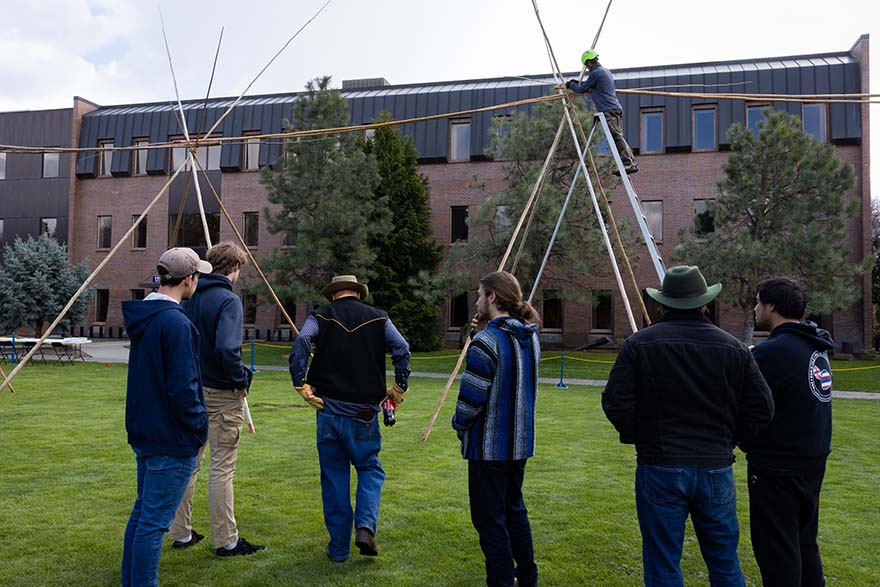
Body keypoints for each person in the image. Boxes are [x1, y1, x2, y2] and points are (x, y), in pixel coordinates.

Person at [602, 265, 774, 587]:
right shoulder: (733, 348)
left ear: (663, 303)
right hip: (714, 467)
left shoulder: (639, 345)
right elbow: (762, 407)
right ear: (705, 303)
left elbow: (615, 402)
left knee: (662, 564)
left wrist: (641, 436)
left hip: (661, 466)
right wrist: (731, 438)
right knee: (724, 564)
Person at [289, 274, 411, 562]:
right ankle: (366, 527)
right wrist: (400, 385)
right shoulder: (379, 319)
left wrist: (300, 381)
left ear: (333, 295)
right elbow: (402, 348)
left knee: (334, 478)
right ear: (358, 294)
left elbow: (302, 342)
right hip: (364, 415)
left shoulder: (319, 317)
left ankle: (339, 549)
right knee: (369, 469)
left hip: (328, 410)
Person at [121, 247, 211, 587]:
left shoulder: (147, 317)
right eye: (197, 275)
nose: (198, 281)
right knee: (154, 521)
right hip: (170, 438)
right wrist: (199, 427)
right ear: (188, 279)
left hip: (147, 432)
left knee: (144, 513)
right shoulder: (175, 323)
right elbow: (184, 389)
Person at [169, 242, 265, 557]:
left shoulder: (190, 299)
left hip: (193, 390)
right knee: (222, 467)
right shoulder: (228, 301)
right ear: (234, 268)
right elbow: (227, 348)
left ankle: (181, 533)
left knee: (190, 464)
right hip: (222, 393)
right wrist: (240, 380)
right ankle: (226, 540)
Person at [742, 278, 833, 586]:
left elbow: (743, 400)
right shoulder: (815, 346)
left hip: (778, 467)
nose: (755, 309)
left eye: (757, 302)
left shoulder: (774, 352)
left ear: (771, 306)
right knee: (804, 542)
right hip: (811, 461)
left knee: (777, 550)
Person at [452, 271, 541, 587]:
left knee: (490, 521)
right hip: (519, 444)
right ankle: (527, 578)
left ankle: (502, 581)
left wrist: (458, 424)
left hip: (489, 448)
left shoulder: (487, 342)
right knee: (514, 511)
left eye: (479, 294)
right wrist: (478, 337)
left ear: (492, 297)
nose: (477, 300)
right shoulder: (530, 337)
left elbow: (472, 399)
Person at [565, 48, 638, 175]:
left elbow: (582, 89)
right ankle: (627, 161)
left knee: (616, 136)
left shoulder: (596, 73)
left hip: (608, 110)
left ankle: (629, 163)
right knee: (617, 136)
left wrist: (571, 85)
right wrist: (575, 83)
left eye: (586, 66)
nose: (587, 68)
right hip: (614, 108)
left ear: (589, 63)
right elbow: (587, 86)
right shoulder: (605, 72)